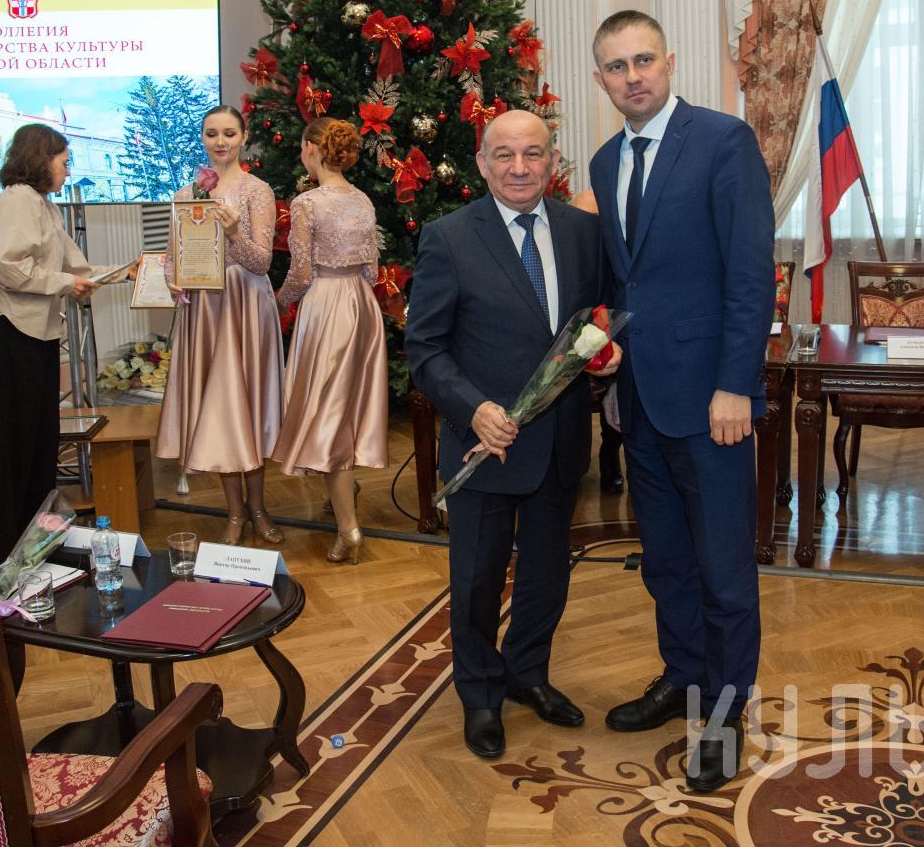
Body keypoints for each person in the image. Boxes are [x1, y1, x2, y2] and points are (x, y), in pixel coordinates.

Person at [587, 10, 775, 793]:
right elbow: (622, 282)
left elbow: (750, 275)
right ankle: (682, 678)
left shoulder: (724, 142)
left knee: (723, 569)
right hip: (639, 402)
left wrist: (737, 384)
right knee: (665, 561)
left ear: (669, 61)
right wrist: (605, 367)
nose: (632, 76)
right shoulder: (604, 161)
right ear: (601, 80)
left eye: (643, 60)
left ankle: (726, 717)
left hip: (711, 401)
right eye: (616, 66)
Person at [407, 109, 615, 760]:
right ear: (482, 163)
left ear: (552, 159)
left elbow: (600, 321)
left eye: (532, 154)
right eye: (504, 155)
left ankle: (529, 674)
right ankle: (480, 695)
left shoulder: (584, 232)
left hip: (559, 444)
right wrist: (473, 409)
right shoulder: (448, 238)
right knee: (476, 581)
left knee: (547, 576)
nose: (519, 168)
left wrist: (610, 352)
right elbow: (425, 348)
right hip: (483, 446)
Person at [0, 123, 109, 562]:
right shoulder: (17, 201)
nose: (68, 171)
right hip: (10, 335)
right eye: (64, 162)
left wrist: (131, 271)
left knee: (37, 447)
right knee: (13, 450)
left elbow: (75, 267)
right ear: (40, 159)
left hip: (36, 335)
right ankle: (1, 553)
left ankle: (32, 548)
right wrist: (66, 282)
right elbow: (5, 266)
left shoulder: (44, 206)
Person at [156, 106, 286, 546]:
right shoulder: (187, 193)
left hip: (246, 305)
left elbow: (261, 261)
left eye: (229, 133)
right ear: (203, 139)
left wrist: (233, 232)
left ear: (243, 137)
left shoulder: (257, 191)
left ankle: (259, 508)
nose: (220, 141)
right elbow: (174, 256)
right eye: (212, 133)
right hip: (206, 310)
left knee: (247, 405)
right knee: (218, 408)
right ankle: (234, 512)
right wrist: (172, 278)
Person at [273, 117, 388, 564]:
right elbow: (372, 269)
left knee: (326, 413)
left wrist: (279, 301)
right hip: (362, 306)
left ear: (312, 149)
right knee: (346, 408)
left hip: (326, 307)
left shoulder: (306, 203)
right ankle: (344, 494)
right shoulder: (362, 199)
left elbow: (301, 273)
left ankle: (349, 529)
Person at [568, 188, 626, 495]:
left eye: (598, 220)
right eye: (583, 218)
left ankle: (610, 454)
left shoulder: (622, 256)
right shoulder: (564, 256)